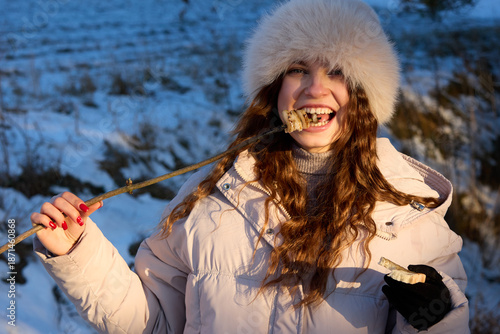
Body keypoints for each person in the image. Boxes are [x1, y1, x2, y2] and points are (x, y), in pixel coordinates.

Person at [31, 0, 469, 332]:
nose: (315, 88)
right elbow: (153, 321)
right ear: (275, 89)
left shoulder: (411, 213)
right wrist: (77, 253)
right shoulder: (210, 195)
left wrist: (438, 319)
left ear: (363, 95)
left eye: (337, 71)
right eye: (298, 69)